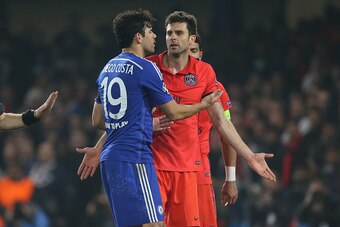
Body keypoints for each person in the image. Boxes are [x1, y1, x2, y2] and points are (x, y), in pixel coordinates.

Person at [86, 9, 221, 227]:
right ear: (138, 37)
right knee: (154, 224)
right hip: (136, 158)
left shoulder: (107, 68)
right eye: (150, 31)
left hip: (110, 160)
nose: (155, 36)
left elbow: (98, 120)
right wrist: (203, 104)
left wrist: (143, 123)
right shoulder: (146, 67)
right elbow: (174, 112)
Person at [146, 11, 276, 226]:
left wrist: (249, 156)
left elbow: (222, 122)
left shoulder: (205, 73)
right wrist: (99, 147)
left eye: (179, 33)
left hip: (189, 169)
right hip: (153, 164)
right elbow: (126, 114)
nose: (173, 38)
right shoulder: (149, 67)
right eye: (169, 33)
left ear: (192, 39)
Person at [189, 34, 238, 227]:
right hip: (166, 167)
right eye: (187, 52)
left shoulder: (215, 88)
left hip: (200, 168)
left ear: (201, 54)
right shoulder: (162, 83)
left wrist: (231, 178)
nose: (191, 57)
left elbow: (227, 134)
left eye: (194, 51)